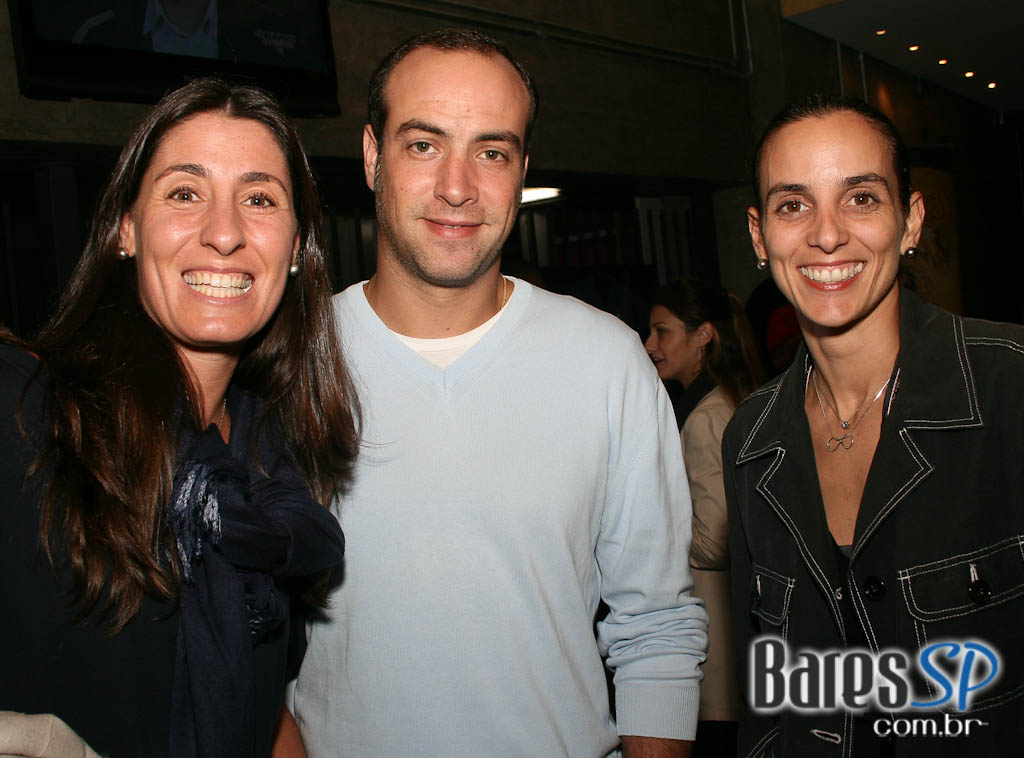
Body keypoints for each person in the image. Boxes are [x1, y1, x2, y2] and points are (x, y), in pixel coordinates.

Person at [291, 28, 707, 758]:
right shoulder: (290, 363)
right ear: (370, 156)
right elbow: (236, 629)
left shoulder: (607, 361)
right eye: (423, 145)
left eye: (492, 151)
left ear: (521, 171)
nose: (458, 186)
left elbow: (658, 627)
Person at [0, 77, 358, 758]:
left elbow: (263, 706)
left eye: (258, 199)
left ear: (295, 249)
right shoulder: (24, 412)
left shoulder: (274, 469)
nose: (223, 232)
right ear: (126, 230)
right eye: (184, 193)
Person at [726, 92, 1024, 756]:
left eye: (860, 197)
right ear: (758, 235)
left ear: (910, 221)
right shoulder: (751, 437)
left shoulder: (1009, 386)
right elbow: (767, 700)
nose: (826, 234)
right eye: (792, 204)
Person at [646, 279, 762, 757]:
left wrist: (649, 535)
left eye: (662, 332)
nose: (650, 345)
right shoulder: (742, 398)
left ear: (704, 336)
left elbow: (714, 542)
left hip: (715, 622)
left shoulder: (705, 417)